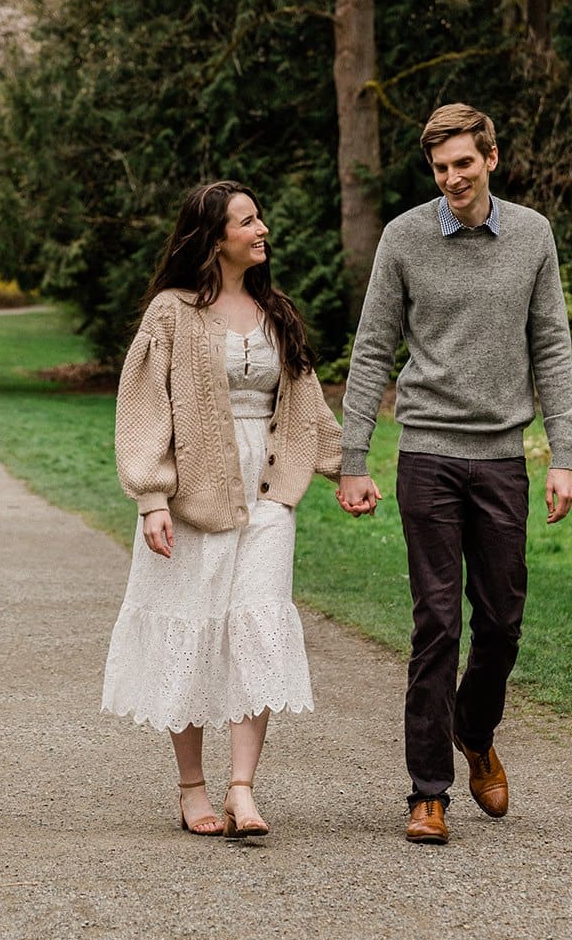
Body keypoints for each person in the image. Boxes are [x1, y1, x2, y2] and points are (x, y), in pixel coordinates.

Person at [337, 103, 572, 844]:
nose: (452, 179)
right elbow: (372, 348)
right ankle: (427, 792)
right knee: (437, 622)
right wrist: (353, 458)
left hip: (501, 457)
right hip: (428, 456)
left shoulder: (532, 234)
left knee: (501, 623)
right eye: (440, 168)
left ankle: (474, 730)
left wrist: (563, 455)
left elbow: (552, 346)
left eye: (464, 164)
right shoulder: (404, 237)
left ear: (491, 159)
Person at [102, 180, 372, 836]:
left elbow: (305, 403)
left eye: (259, 218)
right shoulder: (170, 313)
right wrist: (151, 497)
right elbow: (145, 407)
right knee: (190, 630)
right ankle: (191, 787)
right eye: (246, 221)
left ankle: (242, 788)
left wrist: (346, 468)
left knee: (259, 625)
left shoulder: (274, 310)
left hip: (269, 495)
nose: (261, 229)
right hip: (191, 496)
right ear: (213, 237)